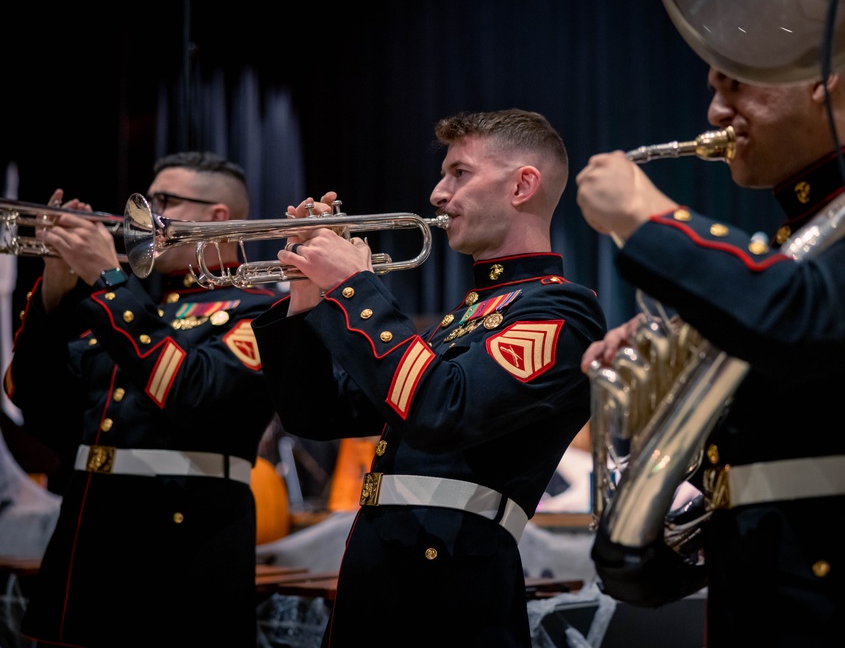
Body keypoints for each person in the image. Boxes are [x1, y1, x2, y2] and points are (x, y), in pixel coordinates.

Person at [576, 64, 845, 646]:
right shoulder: (795, 255)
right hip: (767, 593)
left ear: (822, 77)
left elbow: (804, 321)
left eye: (736, 85)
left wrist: (652, 219)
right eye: (713, 91)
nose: (715, 113)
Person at [251, 108, 607, 646]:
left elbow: (442, 410)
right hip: (381, 569)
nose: (438, 194)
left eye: (459, 173)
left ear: (522, 186)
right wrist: (306, 301)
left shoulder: (561, 312)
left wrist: (354, 288)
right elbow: (316, 415)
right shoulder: (460, 318)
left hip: (453, 586)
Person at [4, 152, 279, 647]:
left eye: (164, 201)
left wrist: (109, 280)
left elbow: (192, 395)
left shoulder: (261, 310)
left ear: (218, 217)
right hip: (88, 538)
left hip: (185, 545)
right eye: (145, 200)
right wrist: (54, 288)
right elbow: (33, 400)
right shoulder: (134, 309)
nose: (142, 216)